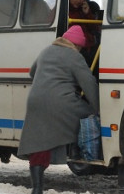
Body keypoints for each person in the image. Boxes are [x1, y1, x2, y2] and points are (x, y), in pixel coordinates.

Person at [18, 25, 99, 194]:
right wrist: (99, 109)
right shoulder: (74, 56)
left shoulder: (46, 50)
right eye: (80, 47)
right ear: (76, 45)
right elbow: (88, 84)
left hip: (35, 101)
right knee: (87, 114)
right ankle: (77, 150)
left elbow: (32, 72)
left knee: (38, 144)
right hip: (62, 102)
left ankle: (37, 188)